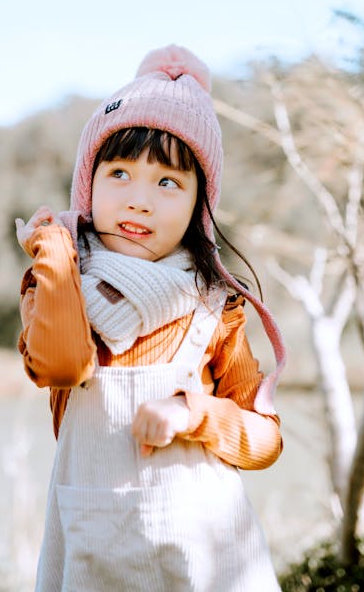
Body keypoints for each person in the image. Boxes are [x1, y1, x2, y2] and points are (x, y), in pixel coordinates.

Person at [15, 45, 287, 592]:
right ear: (88, 183)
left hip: (209, 566)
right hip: (93, 562)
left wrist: (195, 414)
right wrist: (54, 249)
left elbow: (265, 442)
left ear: (198, 206)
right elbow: (65, 366)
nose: (139, 201)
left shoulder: (214, 306)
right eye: (119, 173)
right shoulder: (58, 284)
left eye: (168, 182)